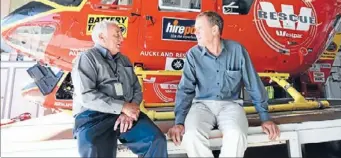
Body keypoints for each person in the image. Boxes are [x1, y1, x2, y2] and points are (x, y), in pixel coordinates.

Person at [168, 11, 280, 157]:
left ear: (214, 30)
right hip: (201, 105)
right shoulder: (193, 54)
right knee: (192, 136)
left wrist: (265, 118)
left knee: (237, 134)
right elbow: (185, 90)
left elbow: (253, 83)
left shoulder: (237, 50)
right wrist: (179, 122)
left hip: (230, 105)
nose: (195, 32)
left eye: (199, 28)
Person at [71, 20, 167, 158]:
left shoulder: (125, 60)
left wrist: (128, 111)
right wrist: (122, 107)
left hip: (126, 114)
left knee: (156, 140)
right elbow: (86, 95)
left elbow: (137, 89)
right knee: (93, 148)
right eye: (117, 35)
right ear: (101, 37)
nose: (122, 39)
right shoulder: (87, 58)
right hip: (94, 116)